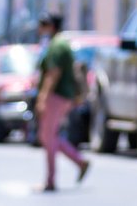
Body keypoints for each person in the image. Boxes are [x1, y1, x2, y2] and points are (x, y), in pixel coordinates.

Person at [34, 12, 90, 192]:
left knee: (48, 137)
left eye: (43, 24)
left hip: (56, 96)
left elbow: (53, 74)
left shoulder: (57, 45)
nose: (40, 28)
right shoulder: (59, 43)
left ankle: (50, 180)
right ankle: (79, 162)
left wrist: (42, 97)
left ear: (51, 26)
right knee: (49, 136)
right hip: (61, 96)